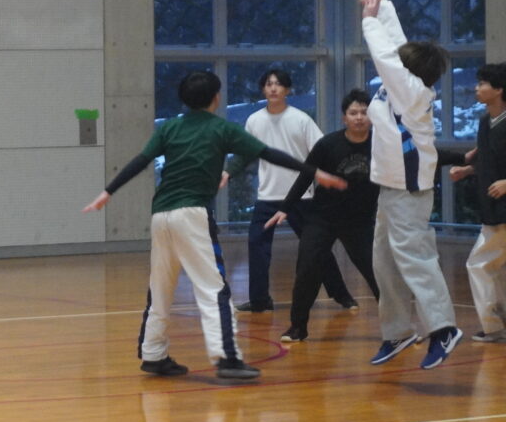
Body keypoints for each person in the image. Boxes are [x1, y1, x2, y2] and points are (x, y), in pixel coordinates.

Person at [82, 70, 345, 380]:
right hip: (192, 214)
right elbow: (269, 154)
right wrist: (315, 172)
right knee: (214, 288)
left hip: (160, 215)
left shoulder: (170, 127)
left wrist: (108, 191)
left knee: (160, 288)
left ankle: (153, 354)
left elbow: (140, 161)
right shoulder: (222, 129)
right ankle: (227, 358)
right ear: (216, 98)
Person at [359, 0, 460, 368]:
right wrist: (382, 8)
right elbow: (397, 46)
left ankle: (444, 328)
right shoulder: (402, 83)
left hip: (409, 190)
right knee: (384, 263)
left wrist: (369, 22)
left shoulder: (412, 91)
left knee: (415, 259)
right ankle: (397, 332)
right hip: (390, 188)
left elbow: (386, 56)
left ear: (409, 72)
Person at [225, 68, 355, 313]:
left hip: (300, 197)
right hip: (267, 196)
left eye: (278, 84)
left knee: (317, 247)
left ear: (287, 90)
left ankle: (342, 295)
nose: (273, 88)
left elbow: (322, 150)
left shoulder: (301, 119)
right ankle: (260, 300)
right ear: (263, 89)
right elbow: (245, 152)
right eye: (268, 84)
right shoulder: (254, 120)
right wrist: (228, 172)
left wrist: (332, 177)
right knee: (257, 245)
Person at [269, 90, 381, 343]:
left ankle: (398, 329)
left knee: (377, 272)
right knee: (307, 269)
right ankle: (297, 328)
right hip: (322, 218)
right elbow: (306, 175)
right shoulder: (328, 144)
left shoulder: (381, 145)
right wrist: (285, 207)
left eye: (364, 113)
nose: (359, 117)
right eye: (353, 113)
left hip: (360, 221)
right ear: (344, 118)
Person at [448, 62, 506, 343]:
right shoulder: (485, 122)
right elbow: (487, 160)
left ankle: (494, 326)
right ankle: (499, 324)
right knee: (494, 268)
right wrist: (468, 170)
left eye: (482, 83)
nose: (476, 88)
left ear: (499, 89)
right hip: (492, 208)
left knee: (479, 264)